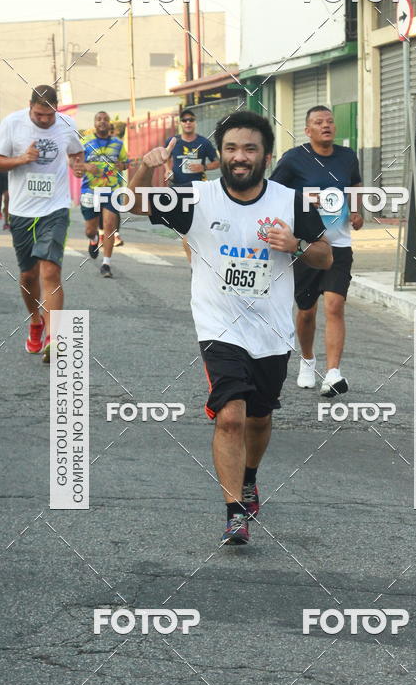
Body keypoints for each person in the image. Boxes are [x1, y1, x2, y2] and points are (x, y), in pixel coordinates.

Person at [130, 110, 332, 545]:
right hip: (218, 324)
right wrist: (146, 168)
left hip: (272, 329)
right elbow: (136, 204)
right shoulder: (198, 198)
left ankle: (249, 478)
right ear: (218, 155)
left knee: (259, 418)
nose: (240, 157)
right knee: (231, 417)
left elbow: (324, 256)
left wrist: (295, 245)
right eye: (232, 149)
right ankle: (234, 512)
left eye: (250, 149)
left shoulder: (290, 200)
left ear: (266, 155)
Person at [270, 105, 363, 397]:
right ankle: (308, 360)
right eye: (319, 122)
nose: (326, 126)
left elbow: (356, 185)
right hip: (306, 246)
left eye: (330, 121)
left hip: (339, 245)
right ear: (307, 130)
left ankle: (333, 372)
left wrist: (358, 210)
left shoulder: (347, 157)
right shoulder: (294, 159)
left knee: (335, 305)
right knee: (307, 312)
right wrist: (302, 203)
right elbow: (273, 192)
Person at [0, 85, 84, 362]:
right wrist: (22, 159)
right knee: (29, 275)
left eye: (49, 115)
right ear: (30, 106)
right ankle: (35, 321)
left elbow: (76, 152)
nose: (44, 120)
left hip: (55, 208)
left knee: (51, 271)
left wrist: (77, 164)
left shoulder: (67, 124)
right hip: (21, 211)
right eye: (39, 115)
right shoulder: (12, 123)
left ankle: (55, 338)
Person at [74, 111, 128, 278]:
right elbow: (76, 163)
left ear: (109, 123)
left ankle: (106, 264)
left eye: (105, 119)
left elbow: (126, 163)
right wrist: (85, 166)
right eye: (99, 119)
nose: (102, 122)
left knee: (110, 225)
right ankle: (93, 239)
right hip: (90, 189)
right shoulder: (85, 142)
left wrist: (122, 165)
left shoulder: (118, 144)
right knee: (90, 229)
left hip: (111, 189)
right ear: (94, 123)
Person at [164, 108, 220, 262]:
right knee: (187, 230)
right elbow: (165, 158)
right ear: (181, 123)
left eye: (191, 120)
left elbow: (217, 162)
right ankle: (193, 264)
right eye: (184, 120)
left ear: (195, 123)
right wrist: (168, 170)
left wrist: (204, 167)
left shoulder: (204, 142)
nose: (188, 122)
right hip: (178, 187)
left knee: (196, 226)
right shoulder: (172, 141)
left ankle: (199, 261)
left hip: (199, 188)